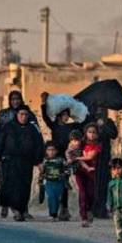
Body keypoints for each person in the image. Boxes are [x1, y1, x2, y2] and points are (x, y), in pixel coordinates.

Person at [0, 90, 38, 219]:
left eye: (17, 99)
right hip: (7, 155)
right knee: (4, 182)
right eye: (13, 99)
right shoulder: (3, 114)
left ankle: (23, 210)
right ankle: (6, 205)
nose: (15, 101)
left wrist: (38, 158)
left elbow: (36, 135)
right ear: (9, 101)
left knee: (24, 183)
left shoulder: (30, 115)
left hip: (24, 157)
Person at [40, 91, 83, 221]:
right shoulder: (54, 126)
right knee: (54, 181)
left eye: (67, 115)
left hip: (66, 158)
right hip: (55, 158)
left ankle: (64, 208)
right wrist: (43, 103)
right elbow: (45, 118)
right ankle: (55, 207)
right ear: (59, 115)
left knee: (64, 182)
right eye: (64, 115)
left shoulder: (71, 126)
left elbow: (81, 123)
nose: (66, 117)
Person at [91, 108, 119, 219]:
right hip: (92, 157)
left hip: (104, 158)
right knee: (93, 184)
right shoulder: (91, 122)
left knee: (103, 184)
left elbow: (114, 134)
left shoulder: (109, 122)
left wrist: (104, 126)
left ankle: (102, 210)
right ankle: (92, 209)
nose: (99, 114)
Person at [75, 123, 102, 227]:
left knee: (91, 194)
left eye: (94, 132)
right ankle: (84, 217)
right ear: (85, 133)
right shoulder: (80, 144)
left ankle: (89, 209)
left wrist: (77, 158)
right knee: (83, 193)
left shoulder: (98, 145)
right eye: (89, 132)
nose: (91, 134)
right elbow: (72, 151)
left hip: (91, 172)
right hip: (80, 171)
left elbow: (90, 157)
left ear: (97, 134)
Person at [39, 141, 67, 222]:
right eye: (49, 150)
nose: (51, 152)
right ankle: (52, 214)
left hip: (59, 182)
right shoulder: (44, 161)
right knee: (51, 197)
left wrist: (63, 175)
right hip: (48, 182)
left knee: (57, 198)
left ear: (56, 151)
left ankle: (55, 214)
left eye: (53, 150)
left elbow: (67, 169)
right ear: (46, 151)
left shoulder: (61, 160)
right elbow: (42, 173)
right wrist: (41, 182)